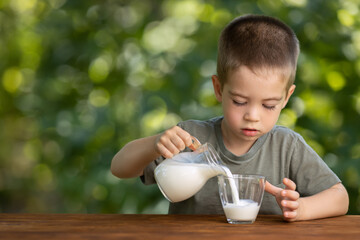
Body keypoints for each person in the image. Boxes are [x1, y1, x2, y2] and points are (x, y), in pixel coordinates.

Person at [111, 14, 349, 222]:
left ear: (286, 98)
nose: (252, 116)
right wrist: (154, 145)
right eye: (239, 102)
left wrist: (303, 208)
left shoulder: (287, 147)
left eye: (268, 105)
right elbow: (119, 168)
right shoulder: (190, 138)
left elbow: (340, 198)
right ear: (218, 88)